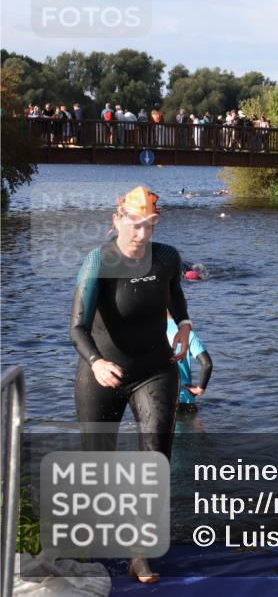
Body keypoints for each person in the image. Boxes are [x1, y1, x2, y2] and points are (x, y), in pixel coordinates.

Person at [71, 185, 191, 584]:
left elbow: (175, 296)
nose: (141, 235)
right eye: (134, 225)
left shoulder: (167, 257)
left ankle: (140, 555)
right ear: (117, 219)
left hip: (155, 369)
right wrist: (96, 362)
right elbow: (77, 327)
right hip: (101, 371)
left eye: (149, 225)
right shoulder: (99, 261)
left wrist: (185, 326)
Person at [166, 313, 212, 410]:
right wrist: (200, 389)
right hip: (184, 399)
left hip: (157, 399)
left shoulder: (150, 332)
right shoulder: (187, 333)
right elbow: (207, 364)